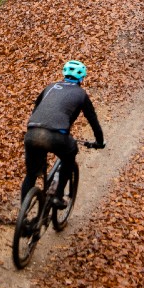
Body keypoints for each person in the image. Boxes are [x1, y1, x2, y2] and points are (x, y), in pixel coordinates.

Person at [21, 60, 105, 206]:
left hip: (32, 133)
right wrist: (99, 141)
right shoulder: (81, 94)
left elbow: (36, 110)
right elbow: (93, 120)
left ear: (64, 74)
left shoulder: (50, 87)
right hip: (56, 136)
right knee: (69, 156)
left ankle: (23, 215)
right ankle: (57, 196)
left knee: (31, 175)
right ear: (82, 78)